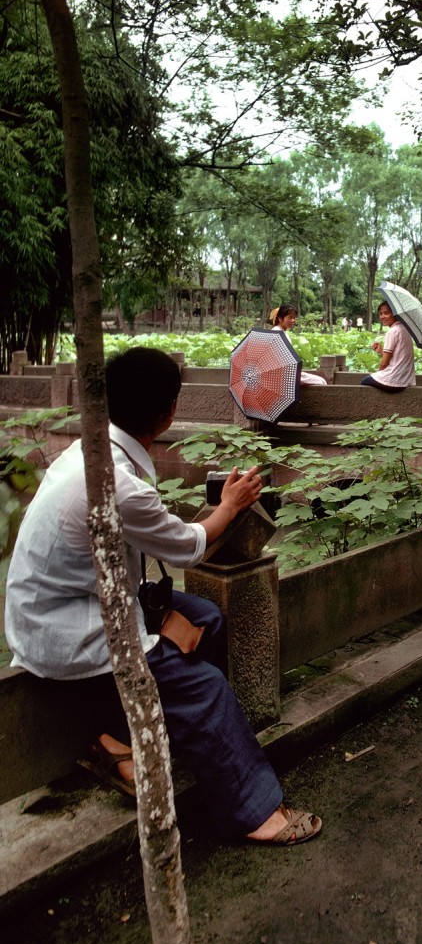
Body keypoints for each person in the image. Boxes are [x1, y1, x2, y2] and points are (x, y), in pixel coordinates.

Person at [4, 347, 321, 846]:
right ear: (169, 411)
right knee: (207, 690)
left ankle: (145, 739)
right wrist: (232, 503)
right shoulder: (118, 483)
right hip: (68, 626)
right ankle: (255, 812)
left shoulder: (91, 448)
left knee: (207, 620)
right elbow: (191, 545)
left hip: (73, 601)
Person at [360, 301, 416, 393]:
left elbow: (384, 364)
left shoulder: (393, 331)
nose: (382, 317)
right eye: (381, 314)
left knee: (363, 383)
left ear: (395, 313)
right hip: (405, 380)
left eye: (386, 313)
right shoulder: (404, 329)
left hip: (394, 381)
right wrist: (381, 351)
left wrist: (379, 373)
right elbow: (397, 357)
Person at [269, 304, 327, 385]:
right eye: (290, 317)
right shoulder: (277, 333)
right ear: (280, 318)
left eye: (294, 317)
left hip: (287, 372)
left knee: (322, 381)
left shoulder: (282, 332)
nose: (293, 320)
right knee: (321, 382)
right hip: (282, 375)